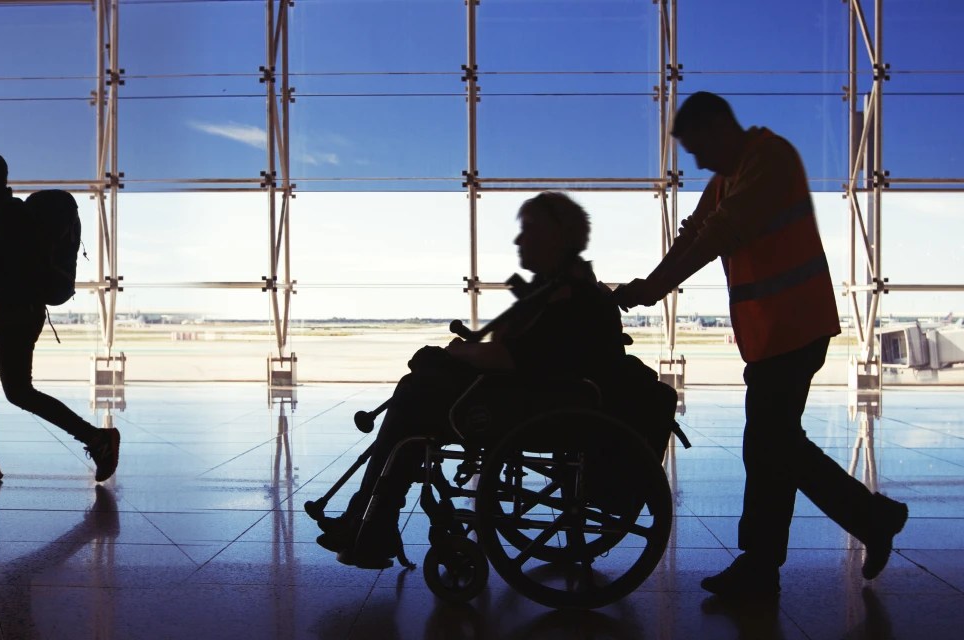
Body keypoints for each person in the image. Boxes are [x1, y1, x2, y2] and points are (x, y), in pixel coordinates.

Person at [613, 91, 909, 597]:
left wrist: (651, 289)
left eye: (698, 148)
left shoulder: (769, 159)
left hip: (794, 327)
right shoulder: (732, 175)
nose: (699, 161)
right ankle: (858, 523)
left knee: (769, 444)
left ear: (718, 129)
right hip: (774, 333)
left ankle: (772, 557)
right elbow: (695, 232)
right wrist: (646, 285)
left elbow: (717, 235)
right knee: (776, 445)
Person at [318, 191, 626, 569]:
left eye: (528, 229)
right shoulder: (568, 289)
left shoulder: (567, 295)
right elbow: (525, 354)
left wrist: (457, 353)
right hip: (544, 399)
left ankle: (370, 522)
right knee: (415, 394)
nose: (518, 239)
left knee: (414, 399)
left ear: (558, 236)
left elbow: (511, 358)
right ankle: (368, 519)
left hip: (536, 408)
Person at [0, 151, 119, 483]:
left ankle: (97, 438)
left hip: (15, 312)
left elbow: (20, 265)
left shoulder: (8, 213)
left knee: (18, 391)